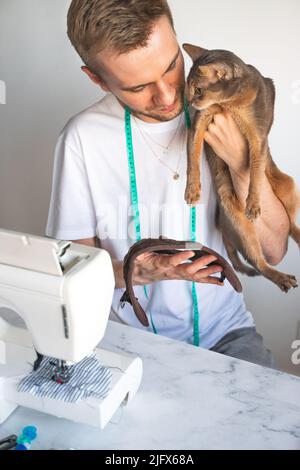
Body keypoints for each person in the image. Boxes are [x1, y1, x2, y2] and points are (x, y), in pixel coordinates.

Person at [46, 0, 290, 368]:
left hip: (228, 334)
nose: (167, 96)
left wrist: (241, 164)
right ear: (96, 78)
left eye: (172, 65)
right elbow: (69, 273)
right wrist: (138, 272)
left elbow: (274, 252)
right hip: (126, 343)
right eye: (139, 86)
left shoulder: (220, 107)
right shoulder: (81, 139)